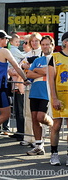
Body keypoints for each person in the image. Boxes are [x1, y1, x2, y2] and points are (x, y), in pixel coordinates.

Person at [0, 30, 30, 150]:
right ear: (1, 39)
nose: (7, 41)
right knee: (6, 113)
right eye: (6, 39)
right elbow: (16, 66)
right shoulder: (4, 51)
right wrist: (25, 78)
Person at [26, 35, 54, 156]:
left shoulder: (55, 59)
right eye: (43, 44)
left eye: (47, 44)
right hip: (35, 92)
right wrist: (43, 71)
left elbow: (48, 72)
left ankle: (53, 124)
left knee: (40, 117)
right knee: (34, 118)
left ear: (52, 45)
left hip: (47, 92)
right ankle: (39, 145)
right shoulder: (37, 60)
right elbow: (29, 74)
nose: (45, 47)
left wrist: (38, 71)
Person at [19, 33, 43, 146]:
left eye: (36, 41)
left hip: (41, 86)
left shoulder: (43, 54)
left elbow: (42, 70)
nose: (34, 43)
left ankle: (38, 139)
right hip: (28, 86)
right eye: (32, 41)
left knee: (40, 114)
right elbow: (21, 66)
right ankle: (28, 137)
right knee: (27, 113)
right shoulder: (27, 54)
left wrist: (30, 68)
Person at [48, 32, 68, 166]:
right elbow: (51, 80)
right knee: (57, 125)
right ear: (66, 42)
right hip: (59, 96)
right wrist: (54, 98)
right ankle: (54, 154)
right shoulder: (55, 57)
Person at [8, 33, 26, 141]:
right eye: (17, 42)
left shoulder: (13, 50)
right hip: (18, 83)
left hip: (19, 84)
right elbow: (22, 57)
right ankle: (20, 131)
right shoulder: (14, 51)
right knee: (18, 109)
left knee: (20, 109)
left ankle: (21, 132)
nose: (20, 44)